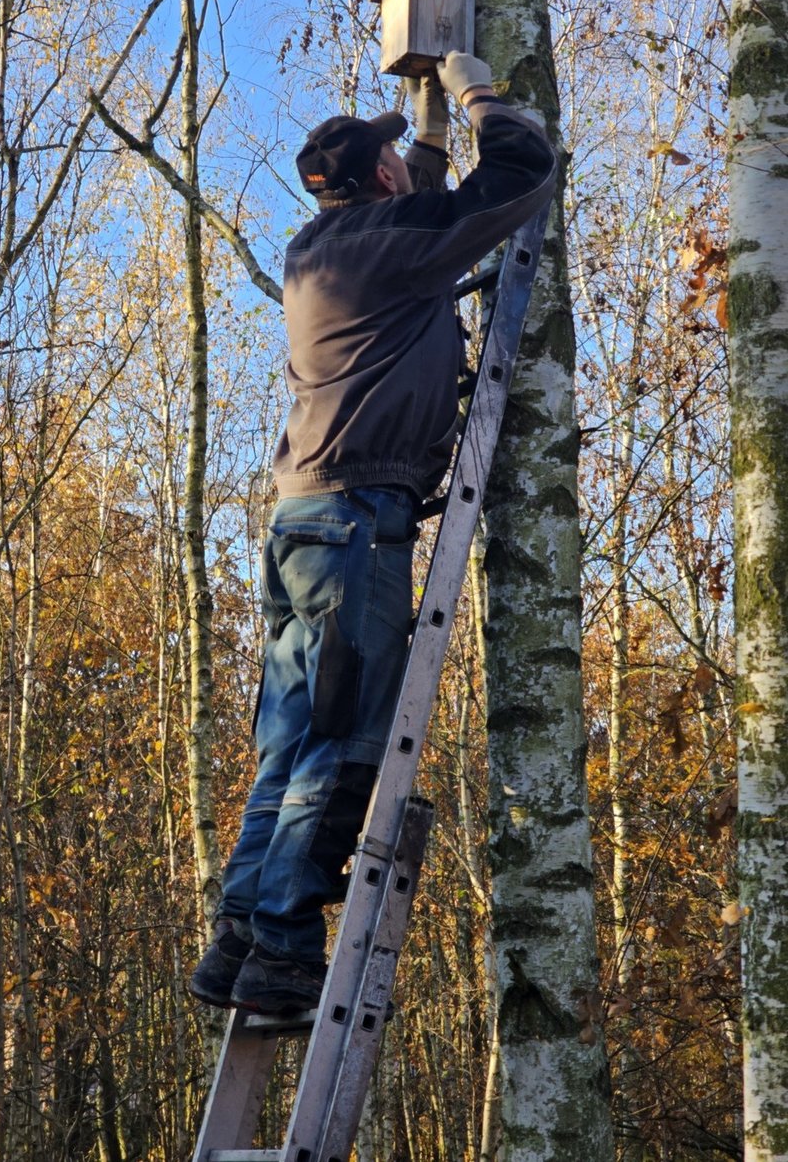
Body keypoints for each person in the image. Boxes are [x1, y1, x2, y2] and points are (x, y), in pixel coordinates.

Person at [190, 51, 557, 1014]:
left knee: (289, 743)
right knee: (343, 743)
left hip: (307, 520)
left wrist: (423, 145)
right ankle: (279, 956)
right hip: (354, 527)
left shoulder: (325, 249)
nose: (405, 166)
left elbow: (420, 228)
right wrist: (479, 95)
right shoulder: (387, 246)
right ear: (378, 182)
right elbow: (518, 178)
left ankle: (238, 938)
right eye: (395, 160)